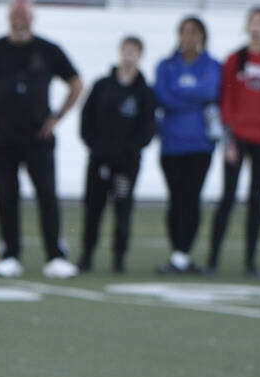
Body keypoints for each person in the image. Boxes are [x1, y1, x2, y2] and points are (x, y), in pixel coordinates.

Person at [0, 0, 83, 280]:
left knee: (47, 195)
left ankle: (55, 255)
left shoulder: (48, 50)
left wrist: (57, 117)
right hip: (2, 136)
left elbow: (77, 84)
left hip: (38, 137)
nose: (19, 17)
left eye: (24, 13)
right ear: (8, 17)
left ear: (32, 17)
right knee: (6, 196)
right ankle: (11, 255)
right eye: (15, 12)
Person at [206, 7, 260, 278]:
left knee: (255, 201)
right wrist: (228, 139)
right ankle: (212, 260)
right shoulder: (234, 60)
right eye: (253, 22)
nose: (257, 27)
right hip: (237, 139)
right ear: (246, 26)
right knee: (227, 198)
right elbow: (224, 101)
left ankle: (250, 262)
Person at [77, 36, 157, 274]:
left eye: (134, 51)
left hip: (127, 166)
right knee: (93, 210)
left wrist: (129, 152)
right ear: (120, 52)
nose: (129, 55)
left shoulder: (144, 92)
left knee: (122, 212)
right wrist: (96, 148)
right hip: (99, 162)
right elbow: (86, 120)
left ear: (140, 55)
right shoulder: (102, 86)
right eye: (125, 50)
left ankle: (118, 259)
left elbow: (147, 129)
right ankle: (87, 256)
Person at [154, 16, 221, 275]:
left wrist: (179, 95)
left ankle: (182, 254)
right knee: (176, 199)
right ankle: (177, 251)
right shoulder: (166, 65)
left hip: (199, 145)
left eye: (194, 33)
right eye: (184, 32)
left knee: (192, 198)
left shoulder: (211, 65)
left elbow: (209, 92)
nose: (189, 37)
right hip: (171, 143)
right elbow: (162, 96)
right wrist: (188, 99)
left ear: (202, 36)